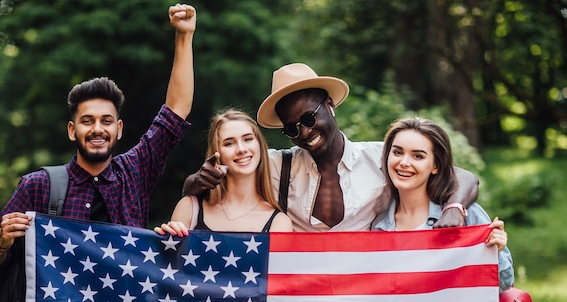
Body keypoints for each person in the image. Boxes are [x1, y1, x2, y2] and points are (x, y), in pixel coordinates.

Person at [0, 3, 196, 271]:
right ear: (72, 130)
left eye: (106, 121)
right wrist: (2, 241)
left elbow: (176, 111)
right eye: (87, 121)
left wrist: (184, 36)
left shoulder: (136, 171)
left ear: (119, 128)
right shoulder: (37, 186)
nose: (97, 129)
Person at [182, 63, 479, 232]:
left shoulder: (381, 157)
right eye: (291, 128)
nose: (305, 132)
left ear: (330, 106)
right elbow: (215, 181)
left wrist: (454, 208)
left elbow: (462, 177)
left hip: (364, 295)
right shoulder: (274, 166)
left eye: (309, 118)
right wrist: (196, 181)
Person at [370, 116, 514, 302]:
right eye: (397, 152)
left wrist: (497, 251)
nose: (404, 163)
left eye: (418, 156)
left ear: (435, 165)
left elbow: (503, 283)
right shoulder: (377, 225)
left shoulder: (464, 214)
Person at [155, 109, 293, 235]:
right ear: (217, 153)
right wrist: (164, 243)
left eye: (248, 139)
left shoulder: (279, 223)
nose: (241, 149)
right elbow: (171, 261)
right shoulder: (190, 208)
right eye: (229, 143)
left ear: (260, 146)